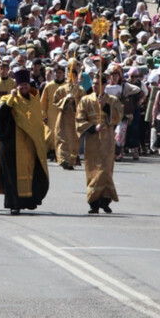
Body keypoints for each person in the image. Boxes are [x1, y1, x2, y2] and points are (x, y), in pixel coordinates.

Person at [0, 69, 50, 215]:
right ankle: (14, 204)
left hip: (30, 144)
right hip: (12, 143)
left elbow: (37, 122)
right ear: (16, 85)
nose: (23, 87)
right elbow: (0, 115)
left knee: (31, 173)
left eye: (25, 84)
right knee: (12, 176)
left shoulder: (34, 99)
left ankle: (29, 202)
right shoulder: (8, 99)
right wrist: (11, 98)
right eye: (20, 85)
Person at [76, 74, 124, 214]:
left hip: (107, 142)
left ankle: (105, 200)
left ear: (104, 85)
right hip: (92, 142)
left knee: (105, 171)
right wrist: (93, 128)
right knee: (93, 171)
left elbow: (118, 115)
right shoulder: (85, 100)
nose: (94, 86)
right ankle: (94, 203)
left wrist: (106, 107)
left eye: (97, 84)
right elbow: (79, 120)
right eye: (94, 83)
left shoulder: (112, 100)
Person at [53, 60, 85, 170]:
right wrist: (65, 100)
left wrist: (75, 101)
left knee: (74, 139)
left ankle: (71, 160)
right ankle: (63, 159)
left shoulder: (81, 90)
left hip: (75, 118)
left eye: (74, 76)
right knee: (62, 138)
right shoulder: (61, 89)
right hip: (63, 117)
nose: (72, 78)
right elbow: (55, 101)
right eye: (70, 76)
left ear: (76, 78)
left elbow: (83, 103)